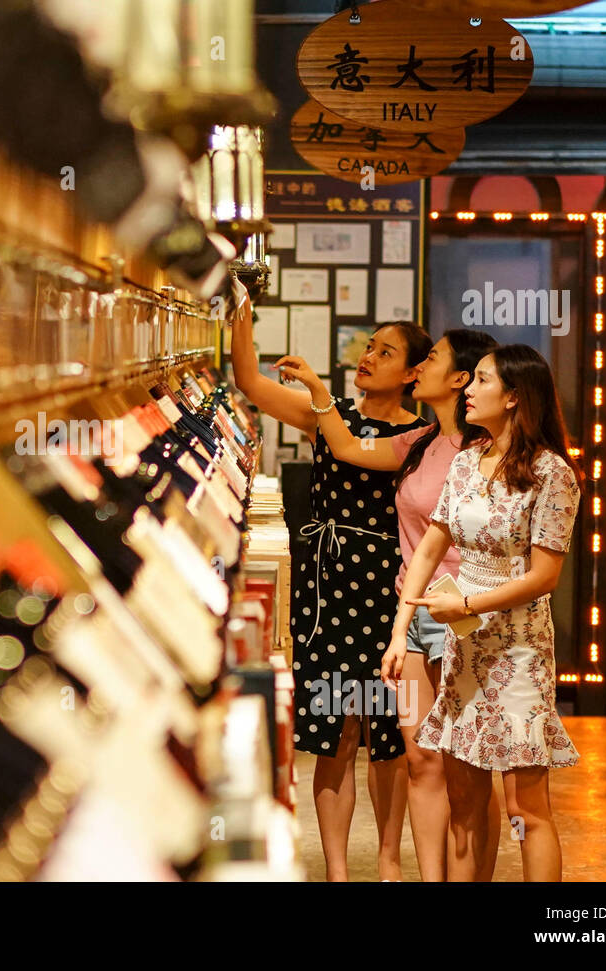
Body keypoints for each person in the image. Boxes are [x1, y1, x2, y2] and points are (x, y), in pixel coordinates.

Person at [275, 329, 503, 881]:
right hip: (410, 613)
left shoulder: (489, 451)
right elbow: (350, 448)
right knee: (418, 755)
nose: (418, 366)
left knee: (468, 767)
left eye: (428, 358)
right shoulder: (420, 441)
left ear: (458, 379)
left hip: (466, 617)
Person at [228, 278, 430, 881]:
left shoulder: (420, 437)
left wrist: (317, 391)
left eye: (385, 352)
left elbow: (349, 453)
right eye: (368, 347)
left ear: (416, 373)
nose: (367, 357)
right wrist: (243, 301)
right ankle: (339, 871)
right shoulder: (331, 414)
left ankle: (390, 862)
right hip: (328, 587)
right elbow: (250, 381)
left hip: (391, 590)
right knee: (335, 729)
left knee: (391, 731)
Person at [387, 344, 582, 882]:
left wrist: (466, 604)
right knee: (463, 802)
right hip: (461, 642)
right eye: (469, 379)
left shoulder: (553, 474)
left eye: (482, 381)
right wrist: (401, 629)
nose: (468, 389)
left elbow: (544, 577)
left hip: (518, 648)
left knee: (525, 809)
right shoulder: (467, 461)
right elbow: (432, 545)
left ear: (515, 395)